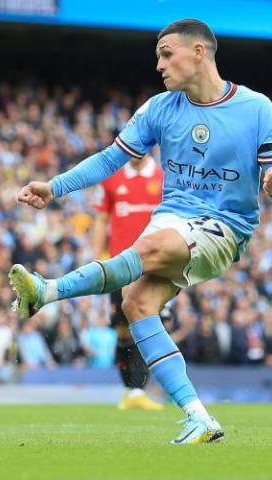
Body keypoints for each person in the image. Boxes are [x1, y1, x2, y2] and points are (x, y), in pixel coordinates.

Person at [10, 18, 272, 445]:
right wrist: (54, 187)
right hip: (172, 216)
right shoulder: (159, 108)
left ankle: (47, 291)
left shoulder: (255, 108)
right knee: (136, 301)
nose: (159, 66)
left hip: (225, 227)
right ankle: (198, 417)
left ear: (198, 53)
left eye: (166, 54)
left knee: (153, 245)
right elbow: (109, 160)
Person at [90, 154, 165, 410]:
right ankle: (131, 389)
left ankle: (137, 390)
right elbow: (101, 220)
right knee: (122, 330)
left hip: (154, 265)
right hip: (119, 266)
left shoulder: (164, 178)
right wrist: (95, 259)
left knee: (147, 324)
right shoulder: (112, 178)